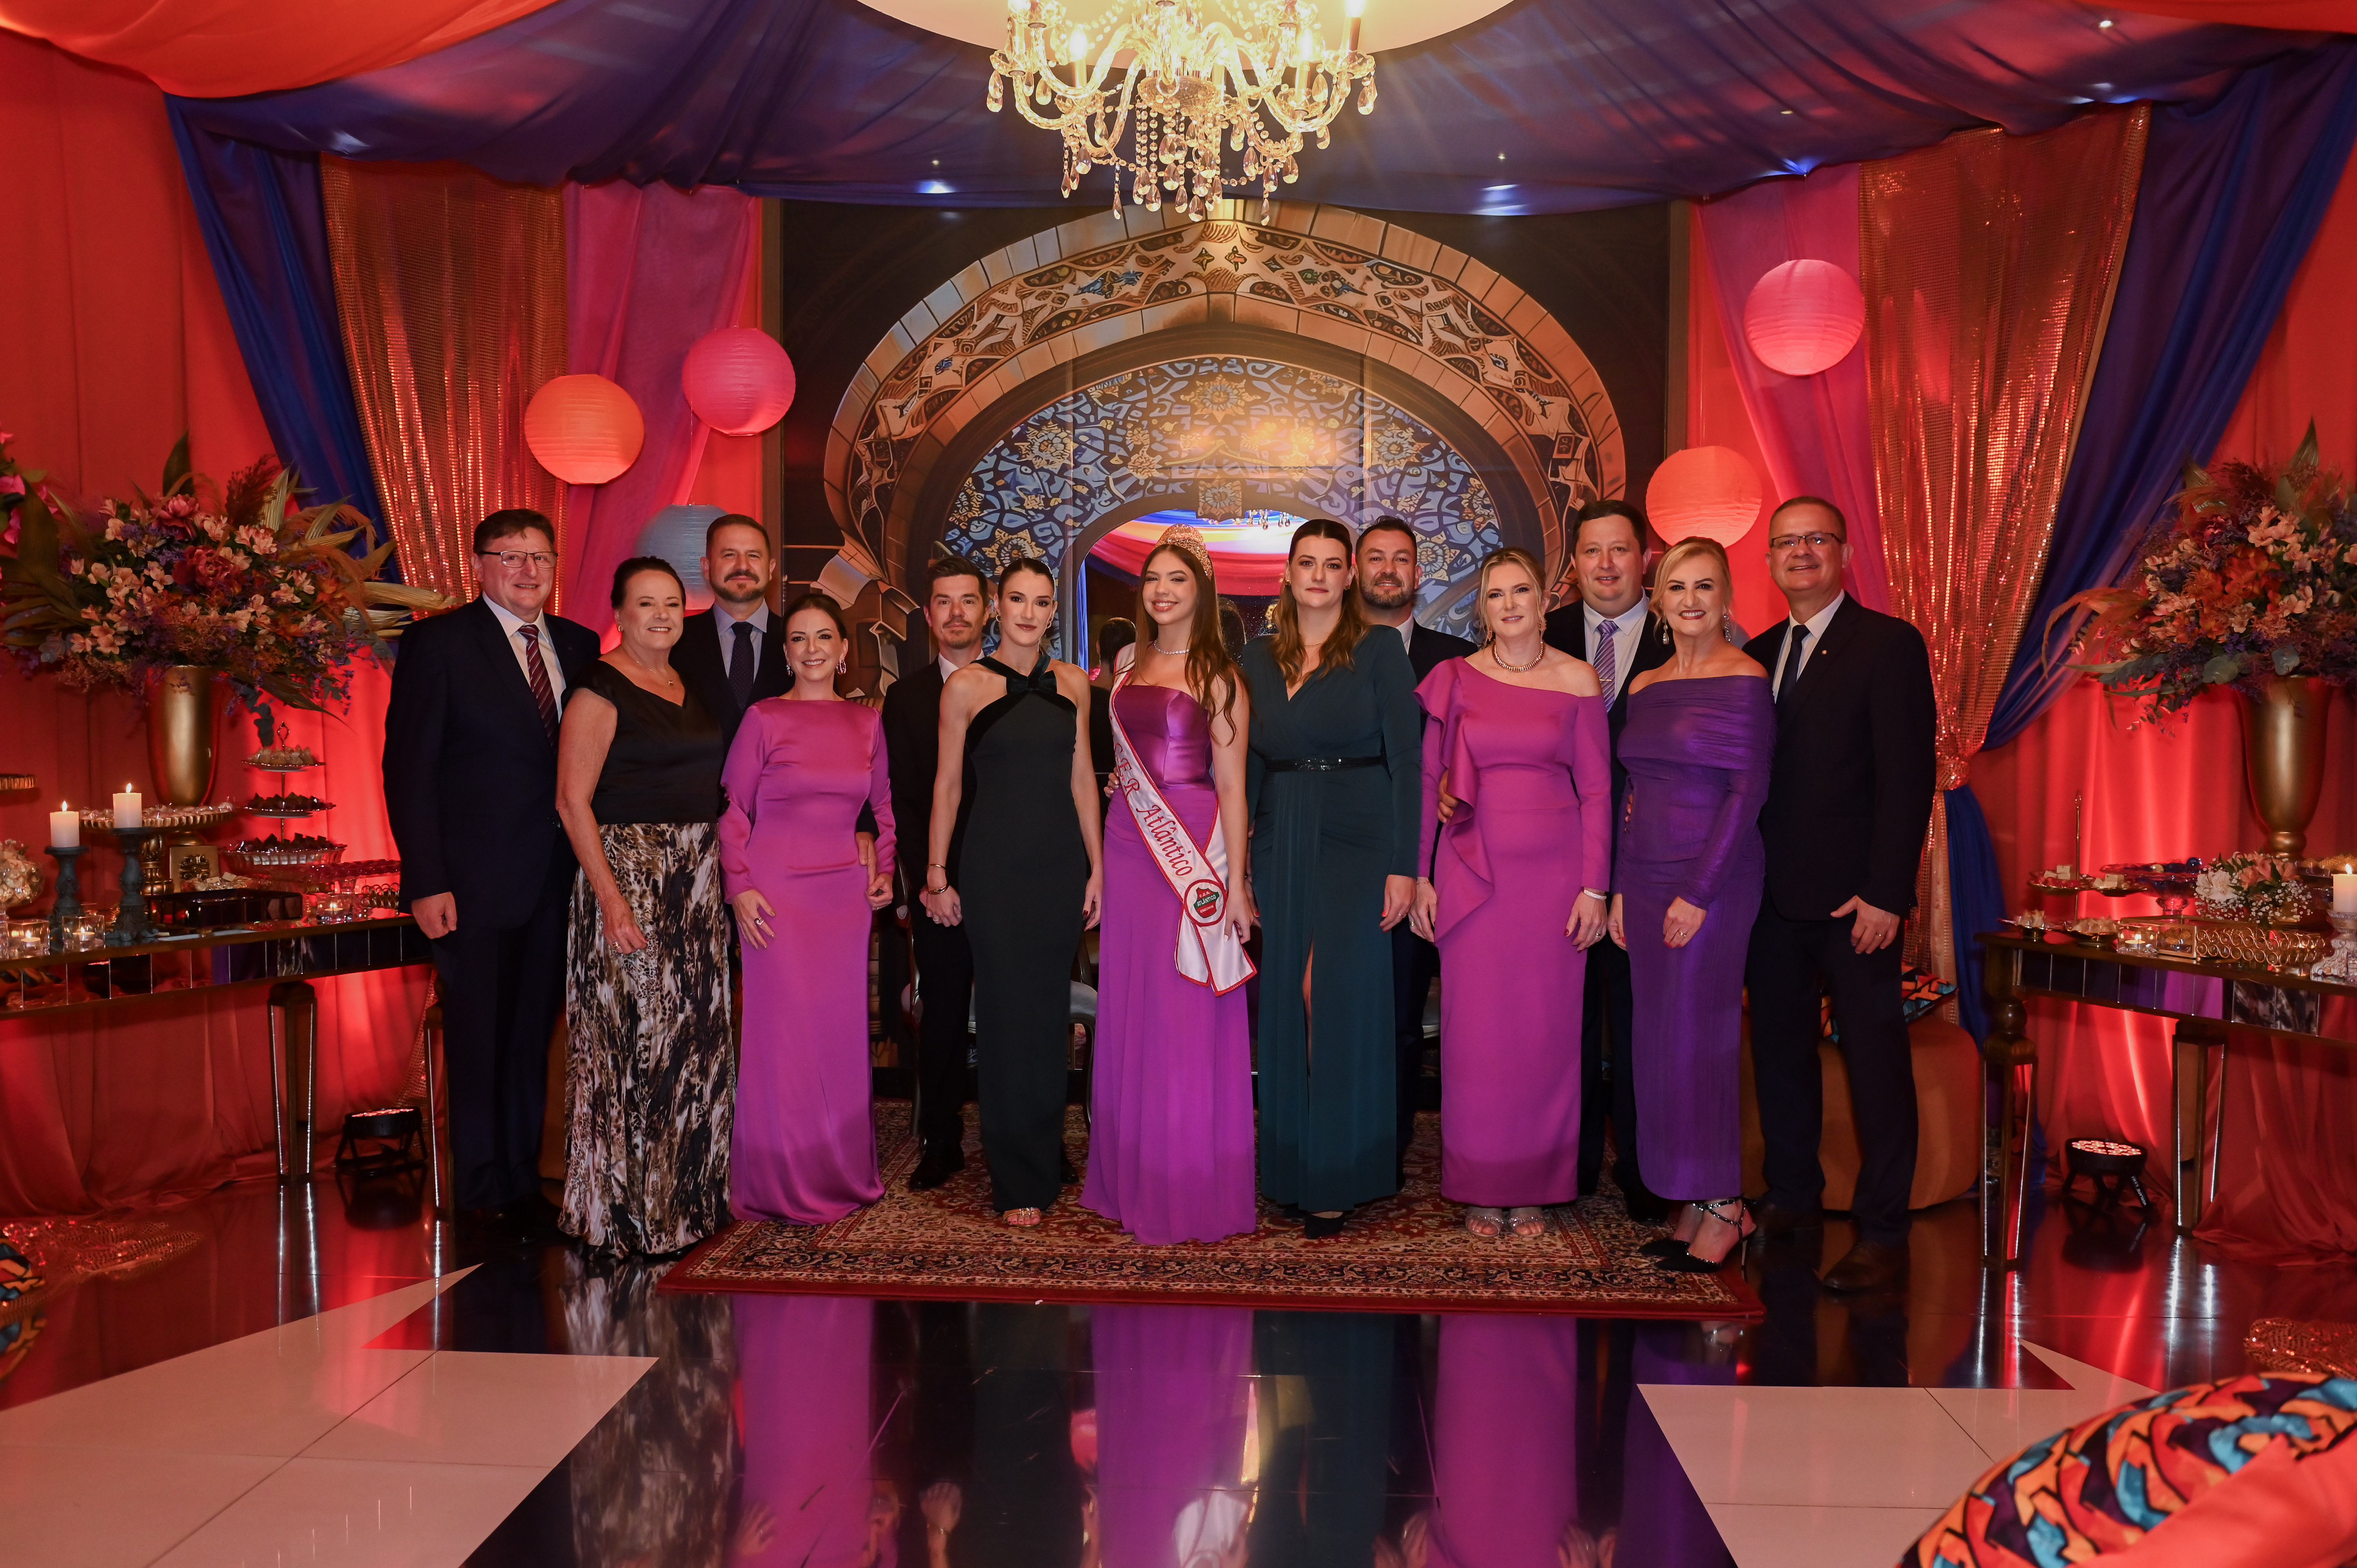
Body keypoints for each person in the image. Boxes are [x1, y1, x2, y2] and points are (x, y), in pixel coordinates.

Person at [385, 508, 599, 1233]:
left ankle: (520, 1181)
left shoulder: (580, 644)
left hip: (557, 880)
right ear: (478, 565)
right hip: (470, 885)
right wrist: (425, 879)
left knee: (532, 1037)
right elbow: (409, 770)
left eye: (540, 556)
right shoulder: (439, 644)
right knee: (479, 1037)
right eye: (510, 556)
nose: (527, 570)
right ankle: (481, 1190)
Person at [1741, 496, 1936, 1293]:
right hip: (1769, 898)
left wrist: (1887, 892)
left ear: (1845, 552)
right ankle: (1793, 1197)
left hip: (1858, 904)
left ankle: (1884, 1230)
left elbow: (1908, 777)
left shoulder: (1888, 643)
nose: (1801, 553)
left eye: (1816, 539)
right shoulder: (1755, 654)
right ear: (1769, 562)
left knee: (1875, 1064)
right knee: (1780, 1056)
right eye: (1786, 543)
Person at [1410, 548, 1610, 1238]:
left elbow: (1598, 790)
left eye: (1521, 590)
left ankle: (1534, 1186)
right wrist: (1421, 875)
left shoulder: (1579, 678)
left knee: (1544, 1036)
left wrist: (1595, 887)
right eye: (1496, 595)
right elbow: (1427, 780)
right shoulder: (1454, 678)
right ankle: (1481, 1183)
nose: (1509, 604)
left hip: (1556, 884)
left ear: (1544, 599)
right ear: (1483, 609)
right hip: (1472, 878)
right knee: (1477, 1038)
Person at [1238, 519, 1421, 1238]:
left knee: (1332, 994)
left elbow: (1407, 761)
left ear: (1349, 576)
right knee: (1288, 995)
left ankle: (1338, 1169)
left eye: (1331, 563)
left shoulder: (1379, 649)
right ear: (1287, 573)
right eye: (1306, 562)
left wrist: (1405, 865)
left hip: (1359, 835)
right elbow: (1248, 763)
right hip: (1281, 832)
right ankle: (1293, 1167)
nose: (1318, 575)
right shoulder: (1256, 656)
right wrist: (1240, 862)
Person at [551, 557, 733, 1255]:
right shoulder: (599, 687)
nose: (660, 615)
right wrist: (612, 900)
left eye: (671, 604)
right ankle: (629, 1213)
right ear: (619, 614)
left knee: (693, 1045)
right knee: (639, 1046)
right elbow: (572, 801)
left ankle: (689, 1203)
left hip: (696, 881)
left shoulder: (687, 683)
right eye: (645, 603)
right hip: (629, 877)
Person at [1083, 526, 1257, 1244]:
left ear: (1201, 592)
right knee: (1133, 1001)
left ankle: (1185, 1178)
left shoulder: (1221, 676)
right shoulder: (1128, 663)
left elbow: (1234, 786)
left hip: (1192, 845)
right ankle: (1132, 1174)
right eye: (1153, 578)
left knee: (1184, 1006)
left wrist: (1237, 884)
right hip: (1129, 840)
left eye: (1177, 579)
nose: (1161, 590)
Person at [920, 556, 1104, 1226]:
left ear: (1054, 611)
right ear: (998, 606)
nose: (1029, 613)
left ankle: (1045, 1154)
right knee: (1003, 1019)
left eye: (1041, 602)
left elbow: (1083, 781)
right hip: (992, 871)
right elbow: (947, 786)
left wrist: (1098, 868)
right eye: (1018, 600)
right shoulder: (965, 686)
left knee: (1048, 1017)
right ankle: (1015, 1175)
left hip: (1059, 869)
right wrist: (937, 872)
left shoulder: (1074, 684)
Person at [1609, 537, 1775, 1273]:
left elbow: (1748, 793)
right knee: (1656, 1045)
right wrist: (1620, 887)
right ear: (1659, 601)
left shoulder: (1745, 678)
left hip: (1712, 882)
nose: (1690, 600)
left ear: (1727, 596)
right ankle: (1688, 1199)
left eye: (1705, 586)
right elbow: (1630, 795)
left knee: (1697, 1041)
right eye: (1677, 587)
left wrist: (1697, 893)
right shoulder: (1645, 685)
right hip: (1644, 881)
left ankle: (1725, 1207)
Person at [720, 592, 896, 1224]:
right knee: (786, 1036)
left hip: (843, 899)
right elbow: (733, 810)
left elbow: (884, 809)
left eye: (824, 637)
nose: (813, 649)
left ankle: (839, 1171)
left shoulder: (866, 723)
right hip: (776, 898)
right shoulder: (763, 718)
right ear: (787, 652)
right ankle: (779, 1178)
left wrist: (885, 871)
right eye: (799, 638)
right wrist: (739, 886)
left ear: (844, 650)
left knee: (840, 1035)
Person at [1543, 500, 1675, 1220]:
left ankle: (1646, 1170)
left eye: (1619, 549)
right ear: (1574, 564)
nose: (1605, 564)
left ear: (1644, 558)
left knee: (1639, 1021)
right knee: (1563, 1019)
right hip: (1557, 864)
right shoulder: (1546, 633)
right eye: (1592, 551)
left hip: (1655, 861)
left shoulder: (1682, 628)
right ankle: (1569, 1162)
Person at [1357, 516, 1476, 1187]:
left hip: (1432, 863)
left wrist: (1461, 780)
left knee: (1407, 1013)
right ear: (1356, 570)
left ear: (1418, 573)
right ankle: (1342, 1132)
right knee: (1343, 1007)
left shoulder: (1457, 661)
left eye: (1400, 559)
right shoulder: (1326, 651)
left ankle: (1394, 1143)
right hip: (1343, 854)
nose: (1388, 570)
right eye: (1376, 557)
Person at [882, 557, 991, 1191]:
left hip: (1012, 883)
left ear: (987, 610)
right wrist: (931, 882)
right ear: (928, 615)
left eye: (967, 600)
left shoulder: (1019, 686)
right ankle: (941, 1140)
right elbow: (905, 800)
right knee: (944, 1014)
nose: (956, 612)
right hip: (939, 886)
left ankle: (1024, 1135)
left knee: (1017, 1014)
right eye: (944, 602)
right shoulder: (907, 698)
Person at [670, 513, 789, 748]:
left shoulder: (800, 641)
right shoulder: (674, 641)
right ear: (707, 567)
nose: (742, 566)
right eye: (729, 555)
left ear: (771, 568)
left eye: (753, 555)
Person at [1087, 615, 1137, 797]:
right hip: (1131, 791)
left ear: (1098, 647)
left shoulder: (1082, 695)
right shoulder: (1137, 702)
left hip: (1085, 789)